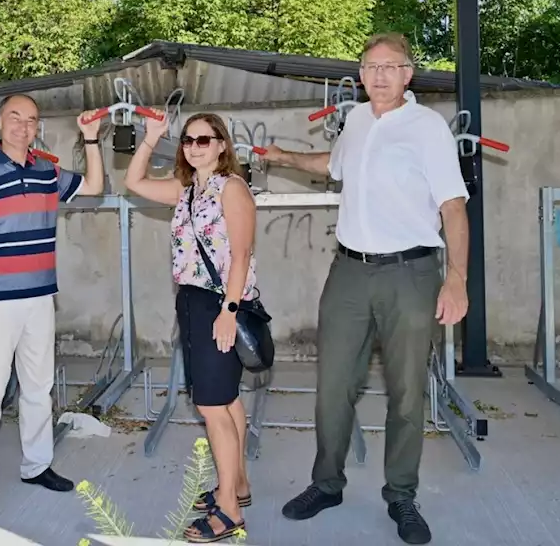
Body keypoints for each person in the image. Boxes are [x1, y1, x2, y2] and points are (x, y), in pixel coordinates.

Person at [260, 33, 469, 545]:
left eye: (390, 67)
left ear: (408, 74)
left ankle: (401, 494)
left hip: (411, 274)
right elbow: (331, 165)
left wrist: (457, 278)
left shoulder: (427, 128)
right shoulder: (354, 120)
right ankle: (326, 483)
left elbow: (453, 208)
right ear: (360, 74)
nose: (378, 76)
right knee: (333, 387)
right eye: (370, 67)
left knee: (405, 392)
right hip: (349, 272)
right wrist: (281, 155)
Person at [0, 94, 105, 515]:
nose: (23, 126)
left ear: (37, 126)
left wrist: (90, 139)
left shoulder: (46, 170)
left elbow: (93, 187)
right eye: (15, 117)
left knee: (39, 389)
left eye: (31, 120)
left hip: (39, 298)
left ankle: (37, 466)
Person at [124, 112, 257, 544]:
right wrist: (151, 138)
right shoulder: (187, 190)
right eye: (188, 140)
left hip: (220, 305)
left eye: (205, 139)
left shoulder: (231, 188)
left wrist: (229, 312)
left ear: (222, 145)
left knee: (213, 407)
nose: (195, 146)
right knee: (228, 399)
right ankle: (236, 484)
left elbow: (241, 255)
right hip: (193, 303)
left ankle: (229, 513)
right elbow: (135, 183)